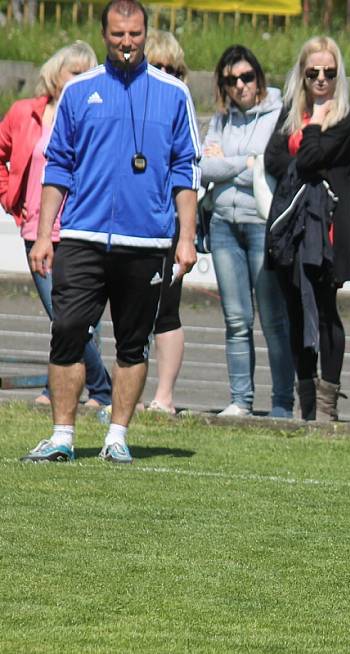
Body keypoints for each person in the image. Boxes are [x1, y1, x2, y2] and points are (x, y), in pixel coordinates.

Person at [22, 0, 200, 464]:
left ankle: (116, 437)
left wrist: (186, 237)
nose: (127, 43)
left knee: (132, 342)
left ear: (146, 32)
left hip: (147, 243)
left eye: (135, 34)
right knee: (66, 331)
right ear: (104, 34)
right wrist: (45, 234)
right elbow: (57, 165)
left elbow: (186, 171)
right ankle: (62, 435)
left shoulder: (174, 94)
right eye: (118, 35)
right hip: (82, 237)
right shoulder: (80, 91)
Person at [0, 42, 111, 410]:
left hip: (80, 229)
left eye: (87, 73)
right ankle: (94, 388)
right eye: (75, 72)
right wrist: (9, 196)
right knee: (63, 316)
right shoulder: (24, 113)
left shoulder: (93, 115)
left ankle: (90, 390)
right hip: (38, 230)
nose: (81, 79)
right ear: (56, 73)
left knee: (72, 317)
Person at [265, 36, 350, 421]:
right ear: (301, 74)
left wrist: (316, 124)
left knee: (324, 312)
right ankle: (306, 402)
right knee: (294, 310)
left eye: (329, 72)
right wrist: (304, 160)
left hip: (328, 232)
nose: (321, 79)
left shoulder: (346, 116)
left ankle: (327, 404)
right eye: (313, 72)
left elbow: (308, 157)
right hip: (291, 229)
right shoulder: (290, 110)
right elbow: (273, 158)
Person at [200, 45, 294, 419]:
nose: (239, 85)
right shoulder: (221, 119)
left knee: (273, 318)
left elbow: (270, 163)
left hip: (262, 223)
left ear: (258, 76)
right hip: (223, 223)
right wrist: (245, 163)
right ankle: (241, 399)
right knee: (236, 320)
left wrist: (227, 163)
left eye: (246, 77)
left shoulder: (278, 112)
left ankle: (283, 402)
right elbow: (204, 167)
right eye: (231, 80)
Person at [143, 29, 189, 415]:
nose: (162, 72)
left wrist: (186, 234)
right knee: (130, 311)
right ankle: (124, 396)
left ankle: (164, 397)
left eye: (169, 67)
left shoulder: (180, 109)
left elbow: (189, 171)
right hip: (130, 222)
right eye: (154, 65)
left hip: (167, 223)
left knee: (166, 309)